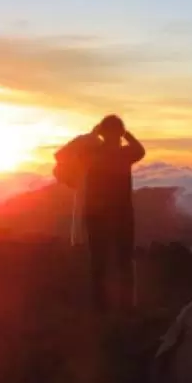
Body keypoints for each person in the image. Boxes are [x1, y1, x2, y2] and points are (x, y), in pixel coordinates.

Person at [77, 115, 146, 310]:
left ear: (102, 133)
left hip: (95, 214)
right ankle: (126, 306)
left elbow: (80, 153)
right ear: (119, 133)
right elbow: (141, 150)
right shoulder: (125, 154)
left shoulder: (92, 154)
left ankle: (99, 306)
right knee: (124, 260)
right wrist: (127, 135)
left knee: (98, 260)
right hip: (122, 214)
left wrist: (93, 134)